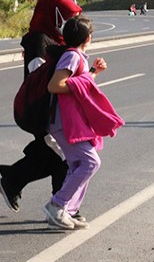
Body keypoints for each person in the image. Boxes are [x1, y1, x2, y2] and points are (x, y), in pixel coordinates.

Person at [0, 0, 81, 212]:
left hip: (51, 108)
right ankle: (60, 205)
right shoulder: (39, 40)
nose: (68, 22)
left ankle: (15, 182)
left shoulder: (52, 38)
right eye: (66, 16)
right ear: (54, 15)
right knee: (61, 154)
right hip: (41, 108)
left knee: (53, 153)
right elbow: (40, 74)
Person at [42, 16, 124, 230]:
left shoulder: (77, 56)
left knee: (77, 165)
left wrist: (93, 73)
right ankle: (56, 205)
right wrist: (87, 77)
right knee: (90, 162)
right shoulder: (71, 56)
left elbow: (77, 84)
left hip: (68, 121)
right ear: (88, 38)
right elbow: (56, 85)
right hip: (63, 122)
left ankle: (67, 210)